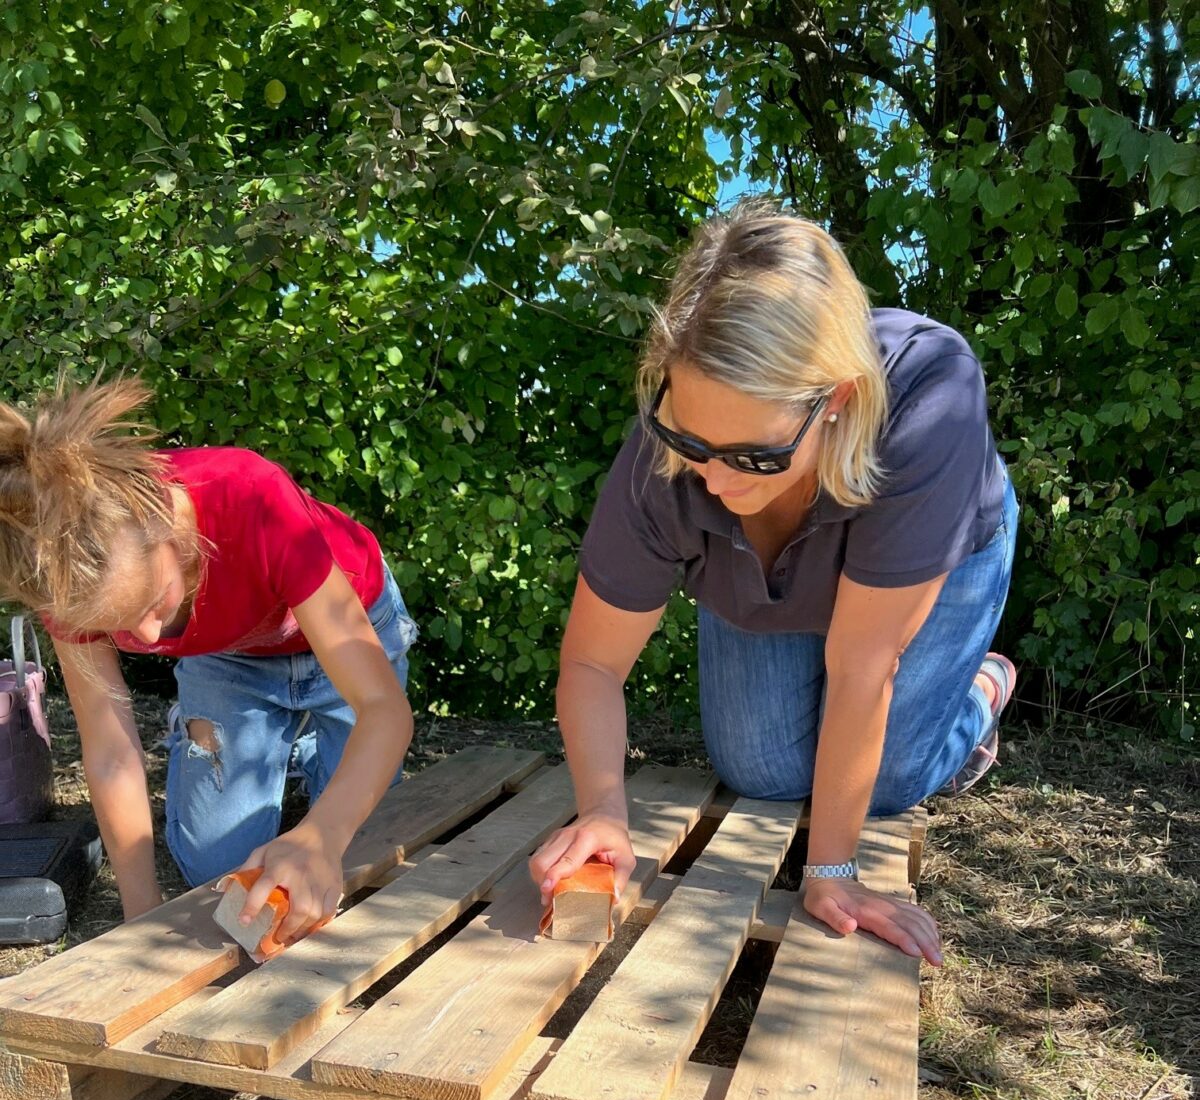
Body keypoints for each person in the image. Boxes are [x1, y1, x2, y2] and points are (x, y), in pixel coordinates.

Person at [531, 202, 1019, 966]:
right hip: (768, 576)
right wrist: (603, 813)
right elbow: (593, 663)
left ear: (838, 402)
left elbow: (864, 665)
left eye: (752, 456)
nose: (716, 481)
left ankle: (979, 692)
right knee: (760, 769)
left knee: (883, 782)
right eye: (692, 443)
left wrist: (831, 871)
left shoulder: (931, 398)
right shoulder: (662, 460)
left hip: (934, 551)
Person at [0, 375, 417, 945]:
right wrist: (139, 915)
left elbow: (383, 710)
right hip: (234, 657)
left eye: (154, 603)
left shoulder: (250, 496)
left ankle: (311, 746)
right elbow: (109, 748)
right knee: (211, 869)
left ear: (165, 529)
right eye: (116, 625)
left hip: (351, 632)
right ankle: (282, 747)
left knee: (364, 844)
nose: (148, 635)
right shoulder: (65, 576)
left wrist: (322, 836)